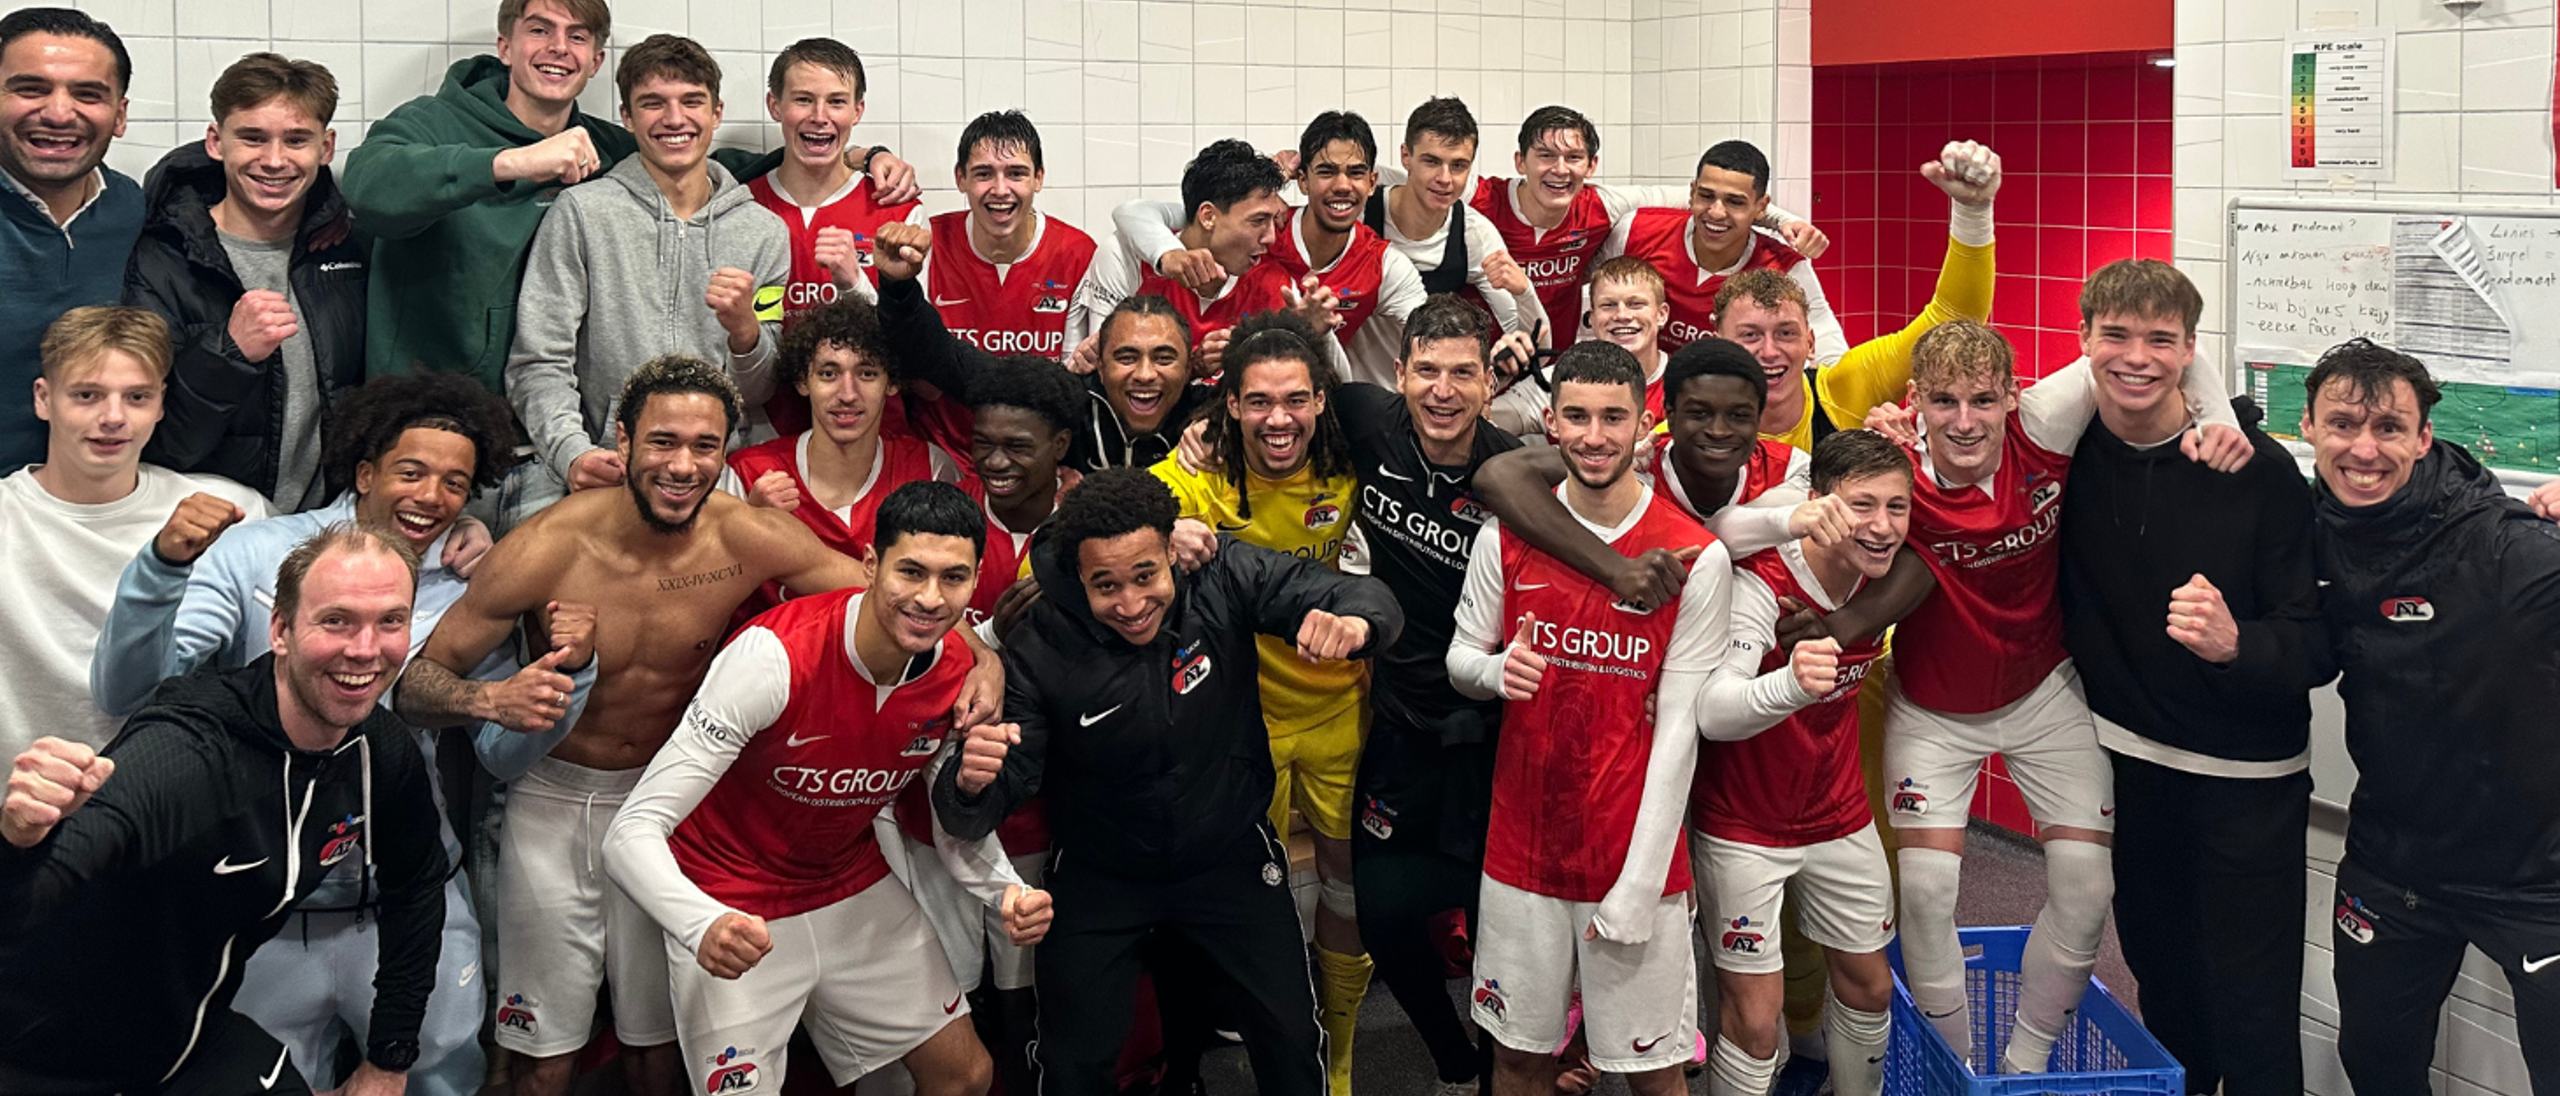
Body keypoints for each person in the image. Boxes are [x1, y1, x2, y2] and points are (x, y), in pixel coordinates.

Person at [395, 356, 999, 1096]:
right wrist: (490, 701)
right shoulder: (548, 545)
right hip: (553, 804)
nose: (683, 466)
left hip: (673, 814)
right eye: (663, 442)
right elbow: (414, 685)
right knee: (541, 1062)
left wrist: (984, 660)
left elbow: (892, 594)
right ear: (623, 441)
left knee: (657, 1054)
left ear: (725, 451)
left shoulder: (744, 535)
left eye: (704, 446)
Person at [88, 373, 544, 1096]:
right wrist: (160, 570)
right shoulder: (256, 553)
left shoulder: (470, 584)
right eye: (411, 472)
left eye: (455, 483)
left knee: (437, 1082)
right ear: (364, 472)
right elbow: (132, 692)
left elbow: (501, 753)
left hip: (410, 894)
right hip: (262, 901)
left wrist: (560, 684)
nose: (432, 496)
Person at [932, 467, 1403, 1096]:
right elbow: (1002, 782)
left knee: (1291, 1042)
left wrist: (1357, 625)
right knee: (1072, 1067)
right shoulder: (1042, 641)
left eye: (1145, 576)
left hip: (1226, 852)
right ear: (1078, 575)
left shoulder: (1219, 573)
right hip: (1102, 871)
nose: (1130, 605)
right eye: (1106, 586)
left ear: (1172, 554)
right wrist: (969, 785)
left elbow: (1363, 596)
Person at [1868, 319, 2241, 1074]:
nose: (1964, 422)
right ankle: (1955, 1072)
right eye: (1944, 402)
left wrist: (2221, 420)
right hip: (1933, 708)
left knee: (2086, 887)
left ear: (2013, 396)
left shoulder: (2044, 423)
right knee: (1928, 890)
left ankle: (2025, 1068)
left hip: (2044, 691)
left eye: (1983, 400)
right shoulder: (1890, 470)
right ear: (1914, 401)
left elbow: (2163, 350)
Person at [605, 481, 1051, 1096]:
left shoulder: (955, 673)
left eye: (953, 578)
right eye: (911, 572)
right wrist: (698, 921)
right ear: (870, 565)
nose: (929, 598)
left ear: (976, 582)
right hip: (728, 894)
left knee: (966, 1076)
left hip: (847, 884)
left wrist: (1006, 891)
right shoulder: (774, 657)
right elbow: (630, 831)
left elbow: (946, 825)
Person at [0, 525, 449, 1096]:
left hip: (185, 1039)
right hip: (39, 1055)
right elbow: (44, 889)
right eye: (336, 621)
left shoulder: (374, 748)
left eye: (390, 621)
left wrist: (388, 1058)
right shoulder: (188, 752)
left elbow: (417, 884)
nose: (365, 650)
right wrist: (17, 841)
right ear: (281, 630)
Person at [2052, 261, 2328, 1096]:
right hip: (2130, 766)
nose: (2137, 358)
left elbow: (2318, 644)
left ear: (2189, 349)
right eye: (2116, 336)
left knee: (2252, 1011)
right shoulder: (2065, 453)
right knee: (2165, 988)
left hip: (2246, 783)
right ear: (2084, 341)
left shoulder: (2254, 469)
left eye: (2161, 340)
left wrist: (2238, 645)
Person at [342, 0, 912, 393]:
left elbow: (700, 159)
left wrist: (859, 156)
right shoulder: (435, 122)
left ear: (595, 60)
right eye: (540, 30)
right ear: (505, 45)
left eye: (577, 36)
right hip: (428, 410)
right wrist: (511, 163)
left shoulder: (609, 147)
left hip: (537, 427)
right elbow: (369, 187)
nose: (558, 48)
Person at [2267, 339, 2560, 1094]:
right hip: (2394, 861)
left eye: (2389, 428)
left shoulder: (2506, 547)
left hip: (2538, 878)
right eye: (2343, 424)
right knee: (2376, 1064)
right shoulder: (2310, 532)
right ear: (2308, 427)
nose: (2364, 450)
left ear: (2424, 436)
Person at [1444, 340, 1728, 1096]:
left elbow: (1679, 732)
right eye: (1576, 416)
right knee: (1516, 1060)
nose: (1594, 436)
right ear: (1550, 423)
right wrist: (1496, 672)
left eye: (1613, 418)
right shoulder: (1504, 536)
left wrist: (1639, 883)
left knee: (1653, 1072)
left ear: (1644, 424)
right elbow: (1462, 658)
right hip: (1521, 853)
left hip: (1631, 855)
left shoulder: (1695, 557)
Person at [1150, 309, 1371, 1094]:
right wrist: (1163, 528)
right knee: (1258, 901)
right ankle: (1280, 1045)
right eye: (1260, 402)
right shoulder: (1195, 476)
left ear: (1321, 400)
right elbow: (1088, 529)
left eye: (1296, 399)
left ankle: (1341, 1061)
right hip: (1244, 727)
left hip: (1341, 713)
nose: (1280, 419)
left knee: (1346, 886)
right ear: (1231, 406)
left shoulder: (1351, 464)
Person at [1688, 430, 1914, 1096]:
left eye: (1896, 507)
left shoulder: (1889, 571)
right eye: (1861, 506)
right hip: (1743, 823)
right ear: (1817, 504)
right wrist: (1789, 684)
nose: (1881, 526)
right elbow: (1713, 711)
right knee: (1756, 1023)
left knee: (1871, 986)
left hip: (1838, 810)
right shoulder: (1764, 584)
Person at [504, 33, 791, 524]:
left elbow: (762, 389)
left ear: (716, 113)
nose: (674, 119)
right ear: (628, 117)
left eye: (691, 102)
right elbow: (538, 361)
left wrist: (746, 332)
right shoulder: (582, 213)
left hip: (718, 477)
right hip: (608, 471)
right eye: (653, 103)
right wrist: (573, 453)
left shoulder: (764, 232)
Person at [0, 305, 268, 760]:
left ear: (162, 403)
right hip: (21, 792)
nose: (113, 417)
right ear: (43, 399)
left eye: (137, 397)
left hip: (172, 786)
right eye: (87, 395)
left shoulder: (233, 512)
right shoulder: (7, 516)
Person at [122, 52, 363, 512]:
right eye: (252, 138)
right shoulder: (160, 260)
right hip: (210, 528)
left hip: (325, 525)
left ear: (326, 148)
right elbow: (155, 443)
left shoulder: (348, 250)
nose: (274, 161)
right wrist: (229, 353)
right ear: (216, 142)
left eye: (297, 140)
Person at [1465, 105, 1826, 347]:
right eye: (1546, 156)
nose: (1560, 169)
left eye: (1573, 157)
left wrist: (1784, 221)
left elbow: (1701, 200)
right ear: (1520, 161)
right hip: (1476, 364)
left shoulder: (1602, 207)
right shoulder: (1476, 199)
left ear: (1591, 166)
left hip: (1549, 366)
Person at [875, 219, 1218, 472]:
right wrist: (898, 287)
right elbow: (941, 358)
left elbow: (1252, 394)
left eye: (1164, 358)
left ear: (1190, 366)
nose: (1144, 374)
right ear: (1099, 365)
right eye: (1126, 357)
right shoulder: (1067, 401)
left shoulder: (1212, 415)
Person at [1113, 111, 1426, 386]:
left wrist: (1317, 334)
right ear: (1302, 180)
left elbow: (1426, 337)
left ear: (1372, 182)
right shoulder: (1264, 226)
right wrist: (1168, 253)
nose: (1342, 185)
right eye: (1326, 171)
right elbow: (1144, 213)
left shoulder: (1384, 263)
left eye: (1356, 173)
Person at [720, 296, 970, 623]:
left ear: (892, 382)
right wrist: (748, 528)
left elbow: (949, 597)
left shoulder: (930, 471)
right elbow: (708, 607)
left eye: (867, 373)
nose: (848, 394)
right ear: (802, 381)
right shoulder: (748, 474)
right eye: (828, 373)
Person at [0, 7, 142, 473]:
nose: (59, 113)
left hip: (92, 495)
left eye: (88, 94)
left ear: (119, 115)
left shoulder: (131, 207)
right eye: (30, 89)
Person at [1066, 138, 1328, 372]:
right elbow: (1109, 373)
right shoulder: (1127, 257)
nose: (1271, 237)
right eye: (1258, 221)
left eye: (1273, 220)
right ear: (1208, 216)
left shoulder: (1273, 282)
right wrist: (1192, 367)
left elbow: (1328, 385)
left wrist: (1314, 335)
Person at [1598, 139, 1846, 362]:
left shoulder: (1786, 267)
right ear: (1692, 192)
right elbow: (1586, 292)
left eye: (1734, 202)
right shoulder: (1637, 231)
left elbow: (1827, 346)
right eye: (1706, 196)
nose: (1716, 212)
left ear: (1761, 207)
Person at [921, 111, 1097, 365]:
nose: (1001, 190)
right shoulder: (929, 243)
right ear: (961, 178)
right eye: (984, 174)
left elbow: (1075, 370)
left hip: (1043, 393)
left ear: (1038, 178)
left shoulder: (1077, 253)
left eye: (1016, 173)